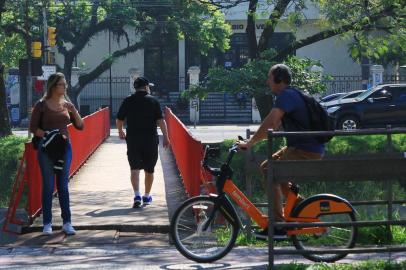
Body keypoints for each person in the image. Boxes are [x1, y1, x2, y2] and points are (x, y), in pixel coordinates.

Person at [237, 64, 324, 239]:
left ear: (279, 79)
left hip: (305, 149)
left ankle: (277, 225)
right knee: (267, 168)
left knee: (270, 170)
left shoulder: (286, 96)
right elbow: (274, 125)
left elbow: (271, 123)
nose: (267, 81)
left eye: (270, 77)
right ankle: (302, 210)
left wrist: (251, 142)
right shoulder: (291, 94)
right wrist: (254, 140)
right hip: (301, 147)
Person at [29, 72, 84, 236]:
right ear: (53, 86)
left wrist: (73, 110)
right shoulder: (42, 105)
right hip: (46, 149)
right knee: (48, 186)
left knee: (63, 186)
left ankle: (67, 223)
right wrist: (47, 136)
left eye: (65, 84)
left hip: (64, 148)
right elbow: (33, 127)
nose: (65, 86)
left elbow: (80, 126)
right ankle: (47, 223)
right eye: (62, 84)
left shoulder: (67, 104)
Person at [116, 76, 170, 208]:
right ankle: (146, 196)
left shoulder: (128, 100)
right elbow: (161, 121)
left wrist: (120, 131)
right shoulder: (153, 101)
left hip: (133, 139)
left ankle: (137, 195)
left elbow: (119, 119)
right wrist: (166, 137)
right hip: (150, 139)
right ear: (146, 87)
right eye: (149, 86)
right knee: (149, 169)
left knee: (134, 168)